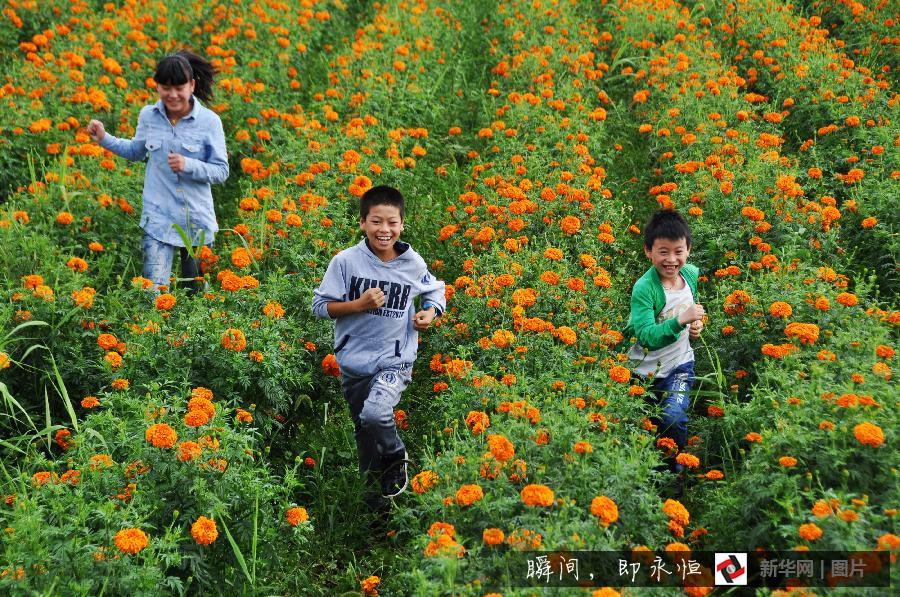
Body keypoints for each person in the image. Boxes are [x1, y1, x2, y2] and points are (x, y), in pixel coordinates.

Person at [312, 185, 446, 512]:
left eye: (391, 223)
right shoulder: (345, 262)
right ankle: (378, 507)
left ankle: (395, 453)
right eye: (376, 222)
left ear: (401, 225)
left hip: (394, 360)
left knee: (376, 414)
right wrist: (357, 304)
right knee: (364, 432)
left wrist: (430, 312)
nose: (383, 230)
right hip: (353, 362)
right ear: (362, 223)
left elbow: (436, 292)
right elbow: (320, 305)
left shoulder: (412, 263)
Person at [86, 51, 228, 293]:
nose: (172, 95)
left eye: (179, 87)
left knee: (197, 299)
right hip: (158, 219)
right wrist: (104, 139)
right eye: (165, 87)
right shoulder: (148, 116)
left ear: (192, 85)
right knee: (152, 295)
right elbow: (136, 151)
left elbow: (221, 171)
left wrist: (188, 165)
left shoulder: (209, 122)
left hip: (196, 221)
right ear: (158, 87)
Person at [623, 209, 704, 494]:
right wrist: (681, 320)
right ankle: (645, 483)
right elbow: (645, 336)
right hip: (642, 374)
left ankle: (674, 476)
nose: (672, 260)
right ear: (648, 251)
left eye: (678, 251)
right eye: (663, 252)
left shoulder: (690, 275)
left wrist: (695, 325)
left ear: (688, 250)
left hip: (680, 366)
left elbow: (690, 310)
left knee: (672, 417)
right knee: (643, 430)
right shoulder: (644, 289)